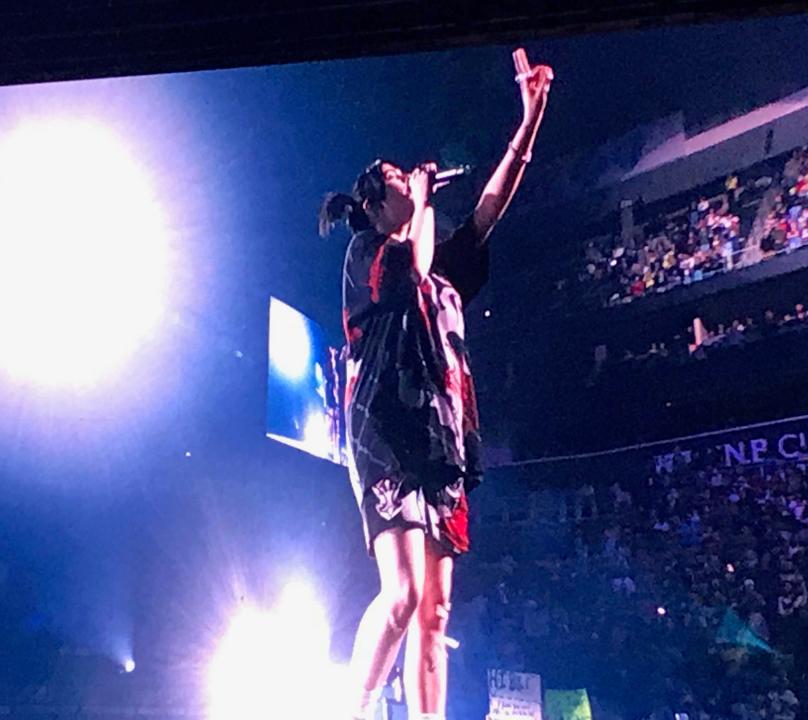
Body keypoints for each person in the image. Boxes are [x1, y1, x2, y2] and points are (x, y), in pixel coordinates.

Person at [318, 48, 553, 720]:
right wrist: (420, 201)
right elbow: (411, 271)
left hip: (441, 442)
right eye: (395, 177)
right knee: (399, 597)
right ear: (373, 200)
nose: (408, 179)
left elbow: (490, 204)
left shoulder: (441, 265)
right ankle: (353, 707)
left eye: (407, 178)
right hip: (385, 433)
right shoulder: (368, 254)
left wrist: (528, 119)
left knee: (435, 609)